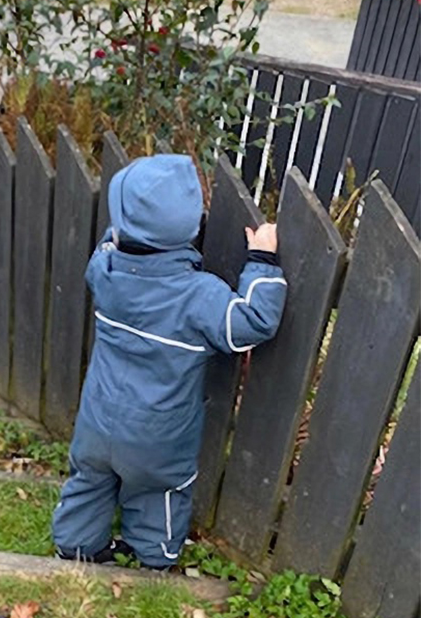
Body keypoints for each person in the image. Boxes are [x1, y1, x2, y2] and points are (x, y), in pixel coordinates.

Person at [52, 154, 287, 569]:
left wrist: (123, 231)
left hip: (98, 416)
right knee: (160, 491)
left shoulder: (105, 269)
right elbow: (250, 321)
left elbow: (111, 242)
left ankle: (73, 545)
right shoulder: (197, 296)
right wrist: (262, 260)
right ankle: (155, 557)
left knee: (89, 480)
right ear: (192, 227)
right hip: (157, 435)